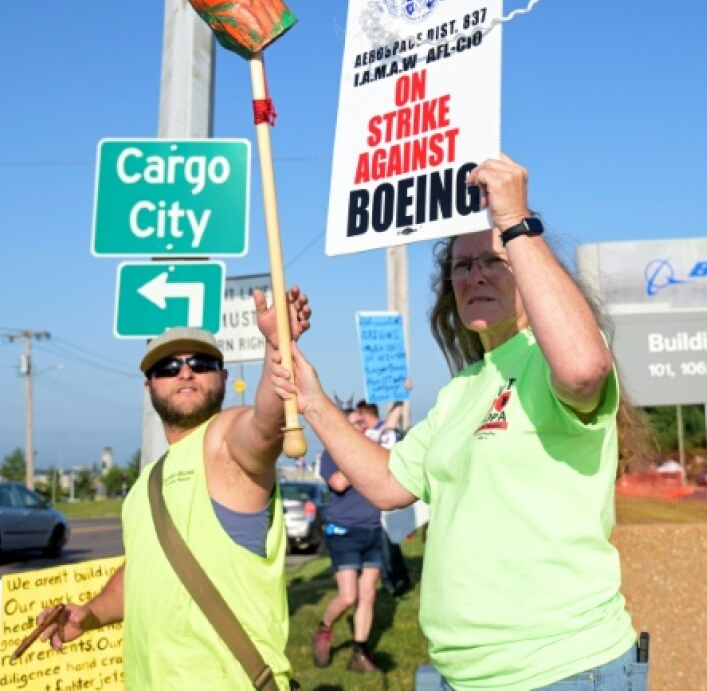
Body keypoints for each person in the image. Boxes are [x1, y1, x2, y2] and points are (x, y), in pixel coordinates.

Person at [272, 155, 653, 690]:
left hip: (561, 670)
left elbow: (585, 368)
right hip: (462, 675)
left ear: (528, 267)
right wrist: (311, 398)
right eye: (461, 265)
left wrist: (516, 221)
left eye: (492, 260)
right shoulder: (460, 391)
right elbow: (387, 484)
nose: (474, 274)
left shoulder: (548, 358)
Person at [39, 287, 311, 690]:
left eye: (200, 363)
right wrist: (89, 614)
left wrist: (277, 346)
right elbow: (144, 572)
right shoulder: (145, 485)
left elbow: (264, 426)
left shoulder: (224, 441)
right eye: (168, 367)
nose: (185, 372)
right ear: (149, 386)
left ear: (222, 376)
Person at [310, 408, 386, 674]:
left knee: (368, 594)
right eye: (355, 424)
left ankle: (359, 652)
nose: (361, 428)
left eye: (363, 424)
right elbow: (339, 483)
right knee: (348, 596)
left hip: (372, 530)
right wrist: (357, 458)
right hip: (343, 532)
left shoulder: (372, 451)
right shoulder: (330, 455)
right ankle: (324, 629)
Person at [358, 399, 413, 597]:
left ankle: (397, 579)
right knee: (385, 542)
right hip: (375, 501)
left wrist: (401, 399)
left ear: (364, 414)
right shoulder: (372, 434)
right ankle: (393, 578)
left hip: (386, 497)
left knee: (388, 541)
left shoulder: (384, 432)